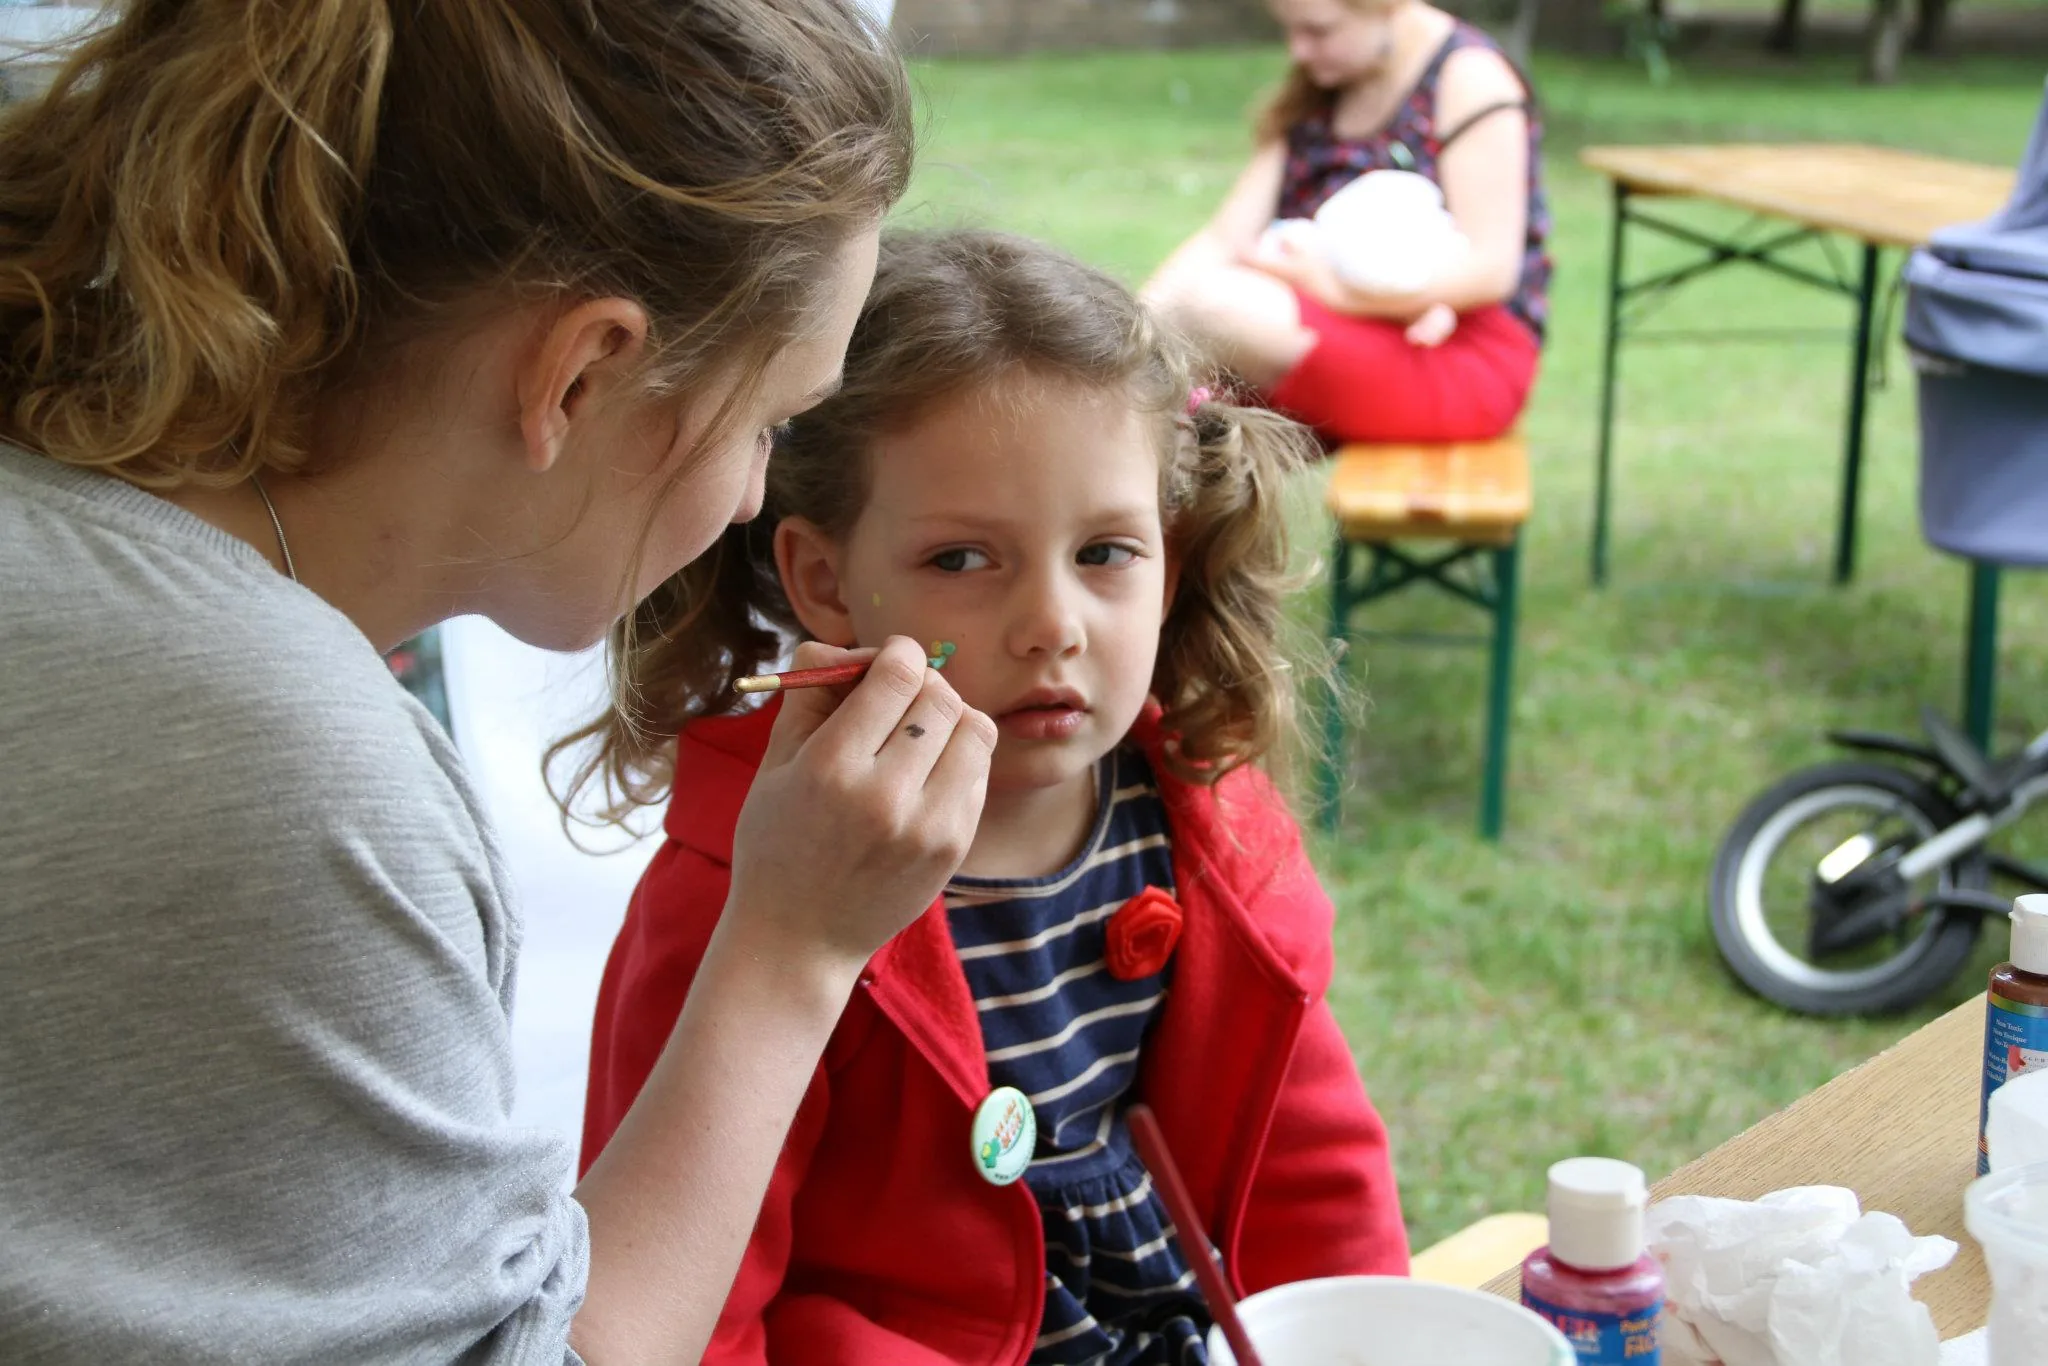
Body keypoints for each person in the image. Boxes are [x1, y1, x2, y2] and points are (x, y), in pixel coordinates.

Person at [0, 3, 998, 1363]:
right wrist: (795, 946)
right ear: (581, 373)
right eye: (768, 421)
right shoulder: (279, 770)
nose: (759, 490)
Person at [577, 229, 1410, 1366]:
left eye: (1107, 552)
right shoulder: (751, 885)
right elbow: (689, 1301)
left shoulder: (1208, 824)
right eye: (963, 560)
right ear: (823, 580)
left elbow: (1311, 1184)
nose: (1052, 624)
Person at [1143, 0, 1553, 446]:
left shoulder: (1471, 78)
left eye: (1318, 31)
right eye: (1290, 31)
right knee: (1162, 421)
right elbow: (1224, 239)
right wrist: (1131, 328)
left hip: (1454, 348)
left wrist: (1335, 291)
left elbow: (1490, 271)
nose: (1298, 50)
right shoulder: (1324, 86)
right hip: (1318, 329)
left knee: (1213, 310)